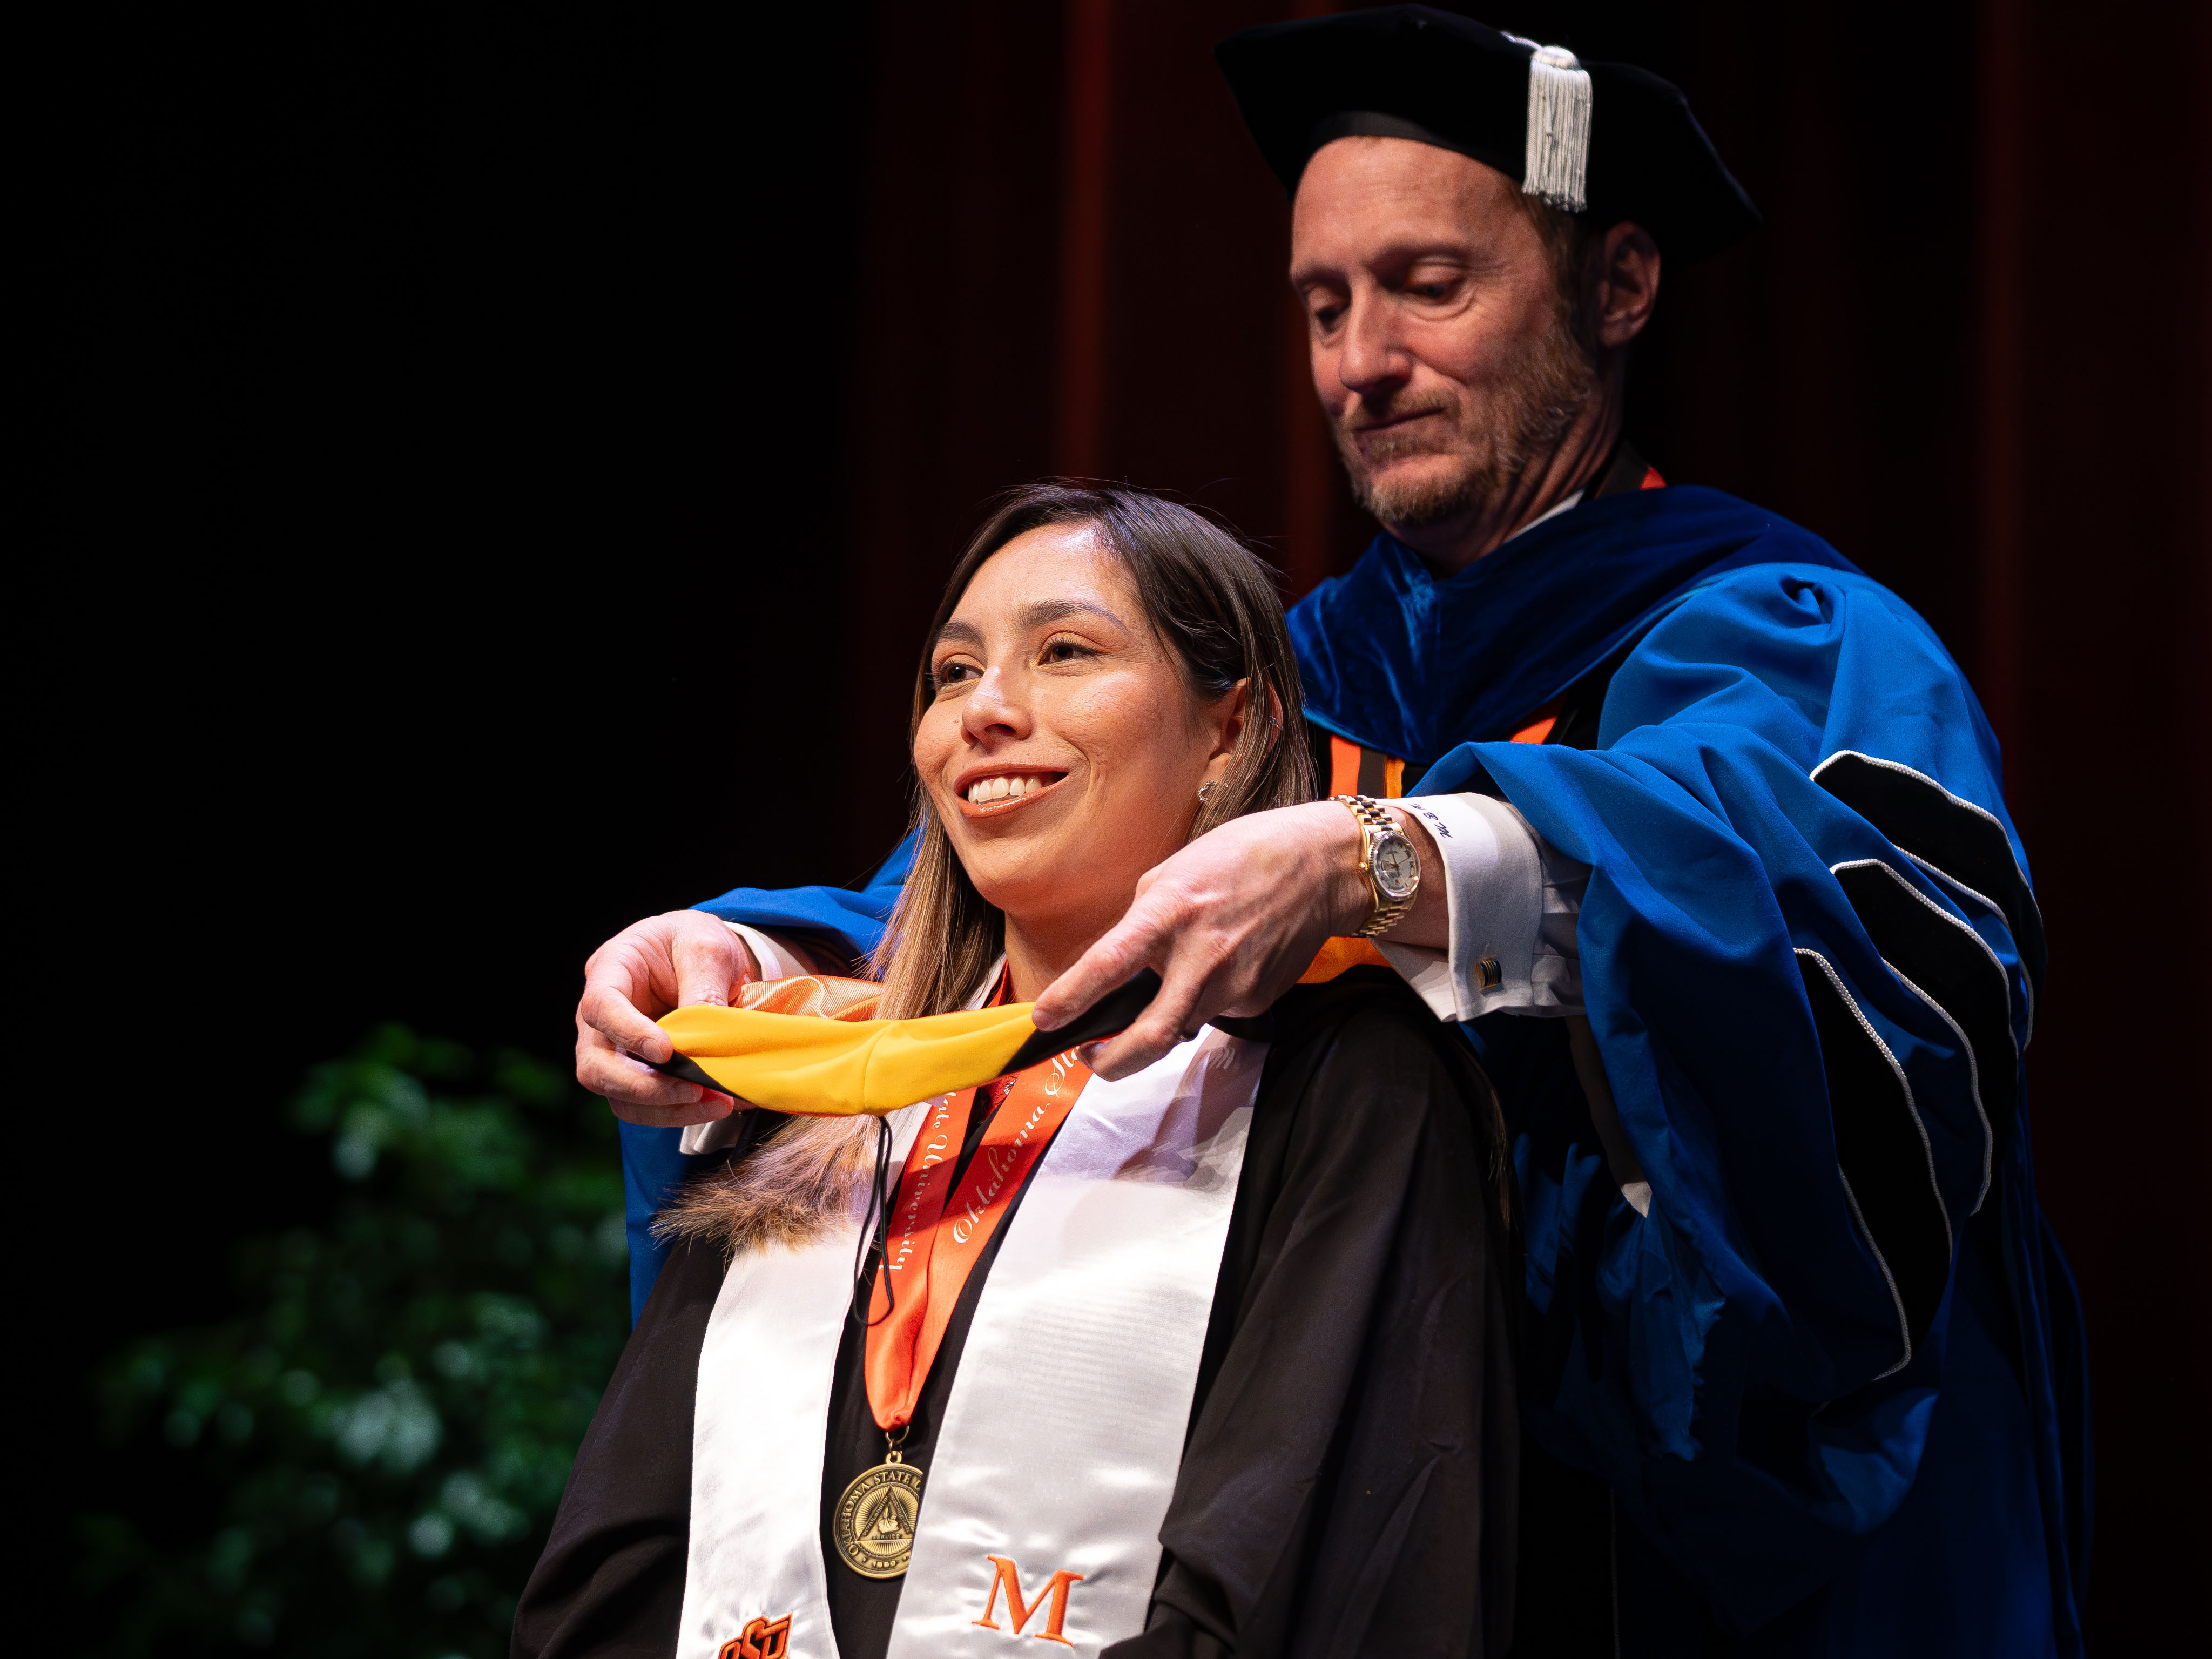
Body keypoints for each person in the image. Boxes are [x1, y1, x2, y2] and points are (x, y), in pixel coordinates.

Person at [575, 10, 2088, 1655]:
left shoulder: (1780, 635)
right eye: (1323, 304)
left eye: (1430, 285)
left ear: (1620, 286)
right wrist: (751, 965)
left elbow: (1828, 940)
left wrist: (1385, 862)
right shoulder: (1285, 688)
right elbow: (984, 945)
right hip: (1341, 1514)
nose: (1362, 360)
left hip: (1706, 1547)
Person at [520, 485, 1518, 1658]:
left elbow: (1319, 1574)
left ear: (1229, 731)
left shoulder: (1349, 1085)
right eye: (951, 673)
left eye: (1062, 652)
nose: (984, 711)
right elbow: (623, 1561)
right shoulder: (819, 1082)